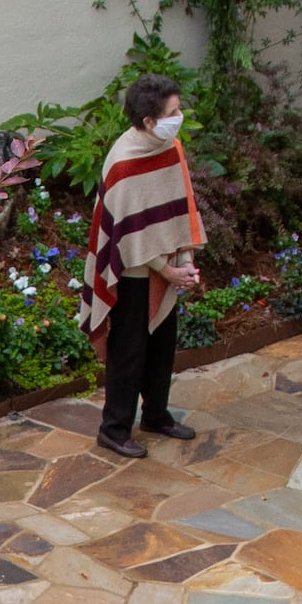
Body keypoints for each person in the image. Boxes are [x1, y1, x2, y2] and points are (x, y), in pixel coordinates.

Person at [80, 77, 204, 458]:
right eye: (172, 113)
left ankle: (156, 415)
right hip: (132, 273)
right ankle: (114, 428)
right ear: (149, 121)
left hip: (168, 266)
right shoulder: (123, 160)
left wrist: (186, 262)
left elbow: (180, 210)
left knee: (163, 344)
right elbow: (125, 234)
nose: (179, 118)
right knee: (129, 348)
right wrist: (165, 269)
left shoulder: (172, 148)